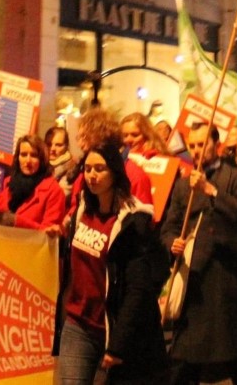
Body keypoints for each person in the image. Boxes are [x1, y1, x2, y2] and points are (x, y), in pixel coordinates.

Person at [55, 136, 169, 384]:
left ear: (115, 172)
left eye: (99, 169)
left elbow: (137, 289)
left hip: (113, 326)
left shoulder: (132, 223)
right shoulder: (82, 208)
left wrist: (117, 344)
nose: (92, 175)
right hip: (78, 324)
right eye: (87, 169)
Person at [163, 122, 237, 385]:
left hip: (228, 280)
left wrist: (212, 191)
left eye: (202, 144)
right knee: (184, 363)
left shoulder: (236, 176)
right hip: (195, 282)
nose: (196, 150)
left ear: (216, 145)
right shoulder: (183, 185)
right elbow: (170, 226)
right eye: (192, 145)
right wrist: (173, 242)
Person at [0, 134, 66, 231]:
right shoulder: (9, 183)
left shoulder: (54, 191)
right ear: (18, 157)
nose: (28, 160)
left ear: (42, 159)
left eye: (34, 155)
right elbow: (0, 222)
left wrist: (16, 221)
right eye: (23, 154)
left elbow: (49, 236)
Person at [45, 125, 78, 197]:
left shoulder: (72, 167)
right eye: (49, 144)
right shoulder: (40, 164)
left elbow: (62, 195)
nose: (52, 148)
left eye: (58, 145)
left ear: (66, 146)